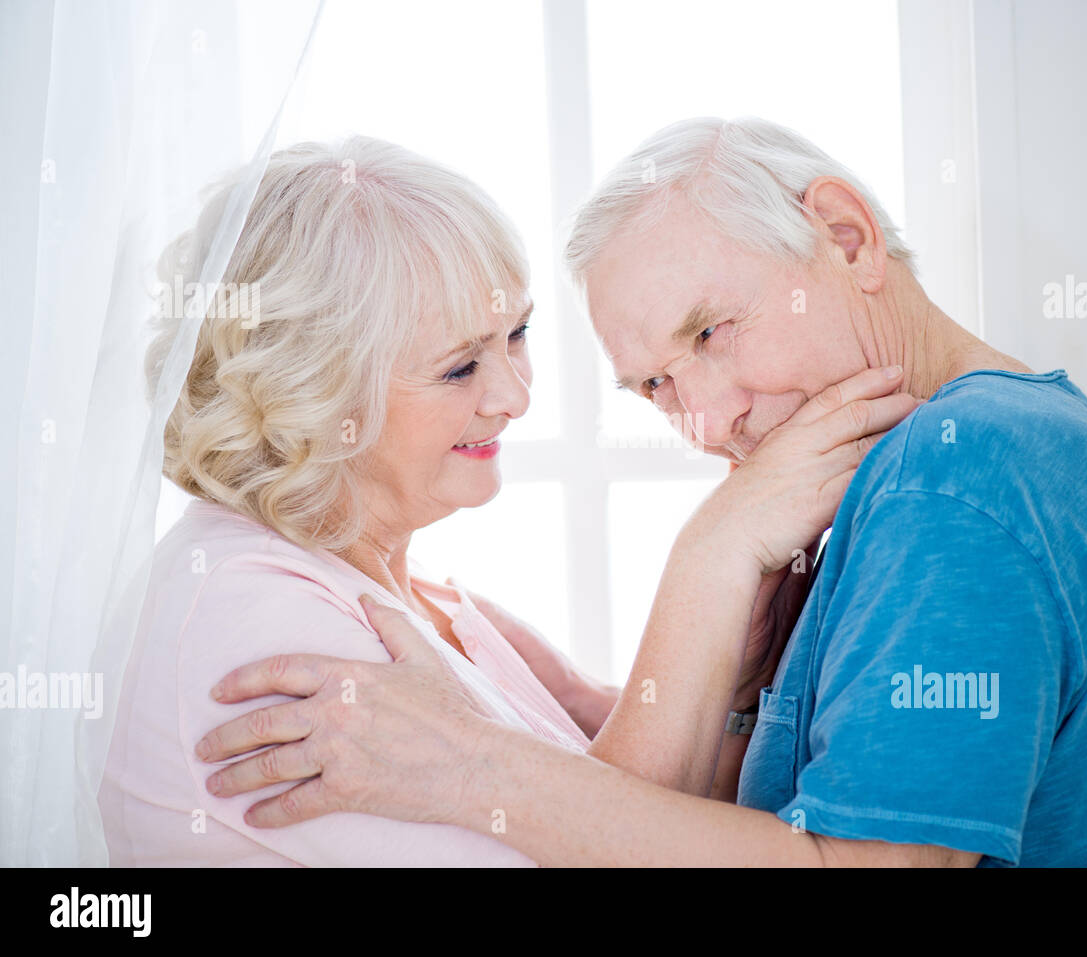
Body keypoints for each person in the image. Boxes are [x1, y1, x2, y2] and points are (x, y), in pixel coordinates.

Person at [196, 117, 1087, 867]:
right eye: (657, 388)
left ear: (846, 239)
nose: (706, 421)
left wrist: (474, 767)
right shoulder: (958, 455)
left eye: (711, 333)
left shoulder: (955, 470)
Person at [100, 133, 911, 866]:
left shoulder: (426, 600)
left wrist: (735, 683)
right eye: (460, 368)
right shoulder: (250, 627)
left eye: (516, 336)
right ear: (312, 394)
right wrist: (712, 556)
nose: (516, 397)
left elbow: (646, 821)